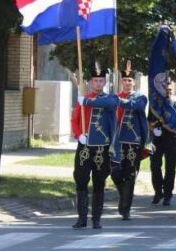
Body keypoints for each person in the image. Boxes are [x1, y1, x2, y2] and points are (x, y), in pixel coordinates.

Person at [70, 64, 119, 229]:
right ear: (90, 82)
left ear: (105, 82)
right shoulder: (83, 100)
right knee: (81, 181)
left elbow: (108, 103)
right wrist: (78, 135)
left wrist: (87, 101)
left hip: (102, 148)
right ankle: (82, 218)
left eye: (101, 80)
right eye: (95, 80)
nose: (98, 84)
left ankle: (96, 219)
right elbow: (74, 121)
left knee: (99, 182)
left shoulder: (110, 99)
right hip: (85, 147)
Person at [111, 63, 148, 220]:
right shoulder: (114, 97)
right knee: (115, 173)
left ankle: (126, 209)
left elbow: (138, 106)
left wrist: (121, 101)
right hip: (116, 142)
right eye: (125, 80)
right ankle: (123, 198)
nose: (127, 83)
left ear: (134, 83)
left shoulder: (140, 97)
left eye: (129, 80)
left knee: (130, 174)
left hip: (133, 142)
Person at [149, 80, 176, 206]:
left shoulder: (175, 106)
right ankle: (158, 192)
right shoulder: (155, 105)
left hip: (171, 139)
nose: (167, 91)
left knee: (170, 168)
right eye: (165, 89)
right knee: (155, 166)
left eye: (169, 89)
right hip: (157, 139)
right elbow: (150, 121)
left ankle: (168, 194)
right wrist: (153, 128)